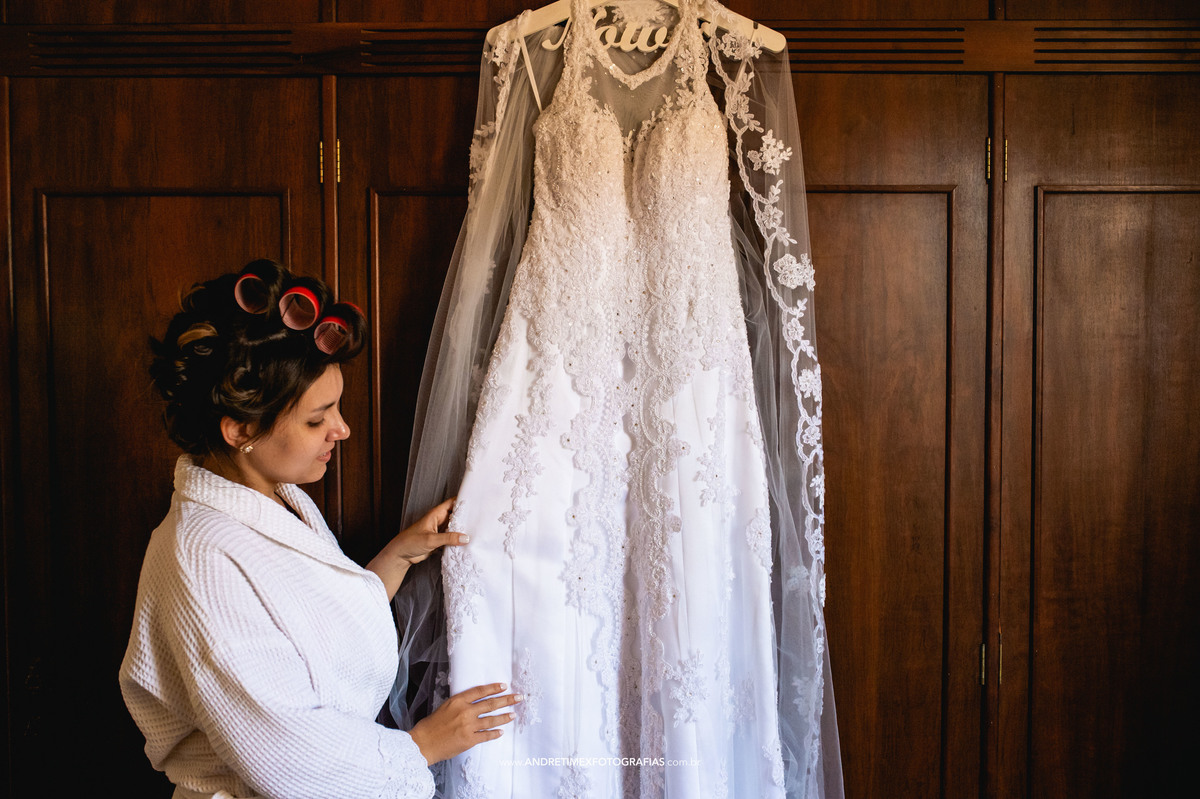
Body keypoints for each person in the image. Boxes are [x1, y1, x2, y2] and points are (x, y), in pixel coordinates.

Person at [119, 259, 519, 799]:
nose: (342, 429)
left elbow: (310, 637)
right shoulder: (200, 560)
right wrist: (420, 747)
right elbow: (282, 749)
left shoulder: (277, 500)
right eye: (317, 419)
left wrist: (398, 555)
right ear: (241, 429)